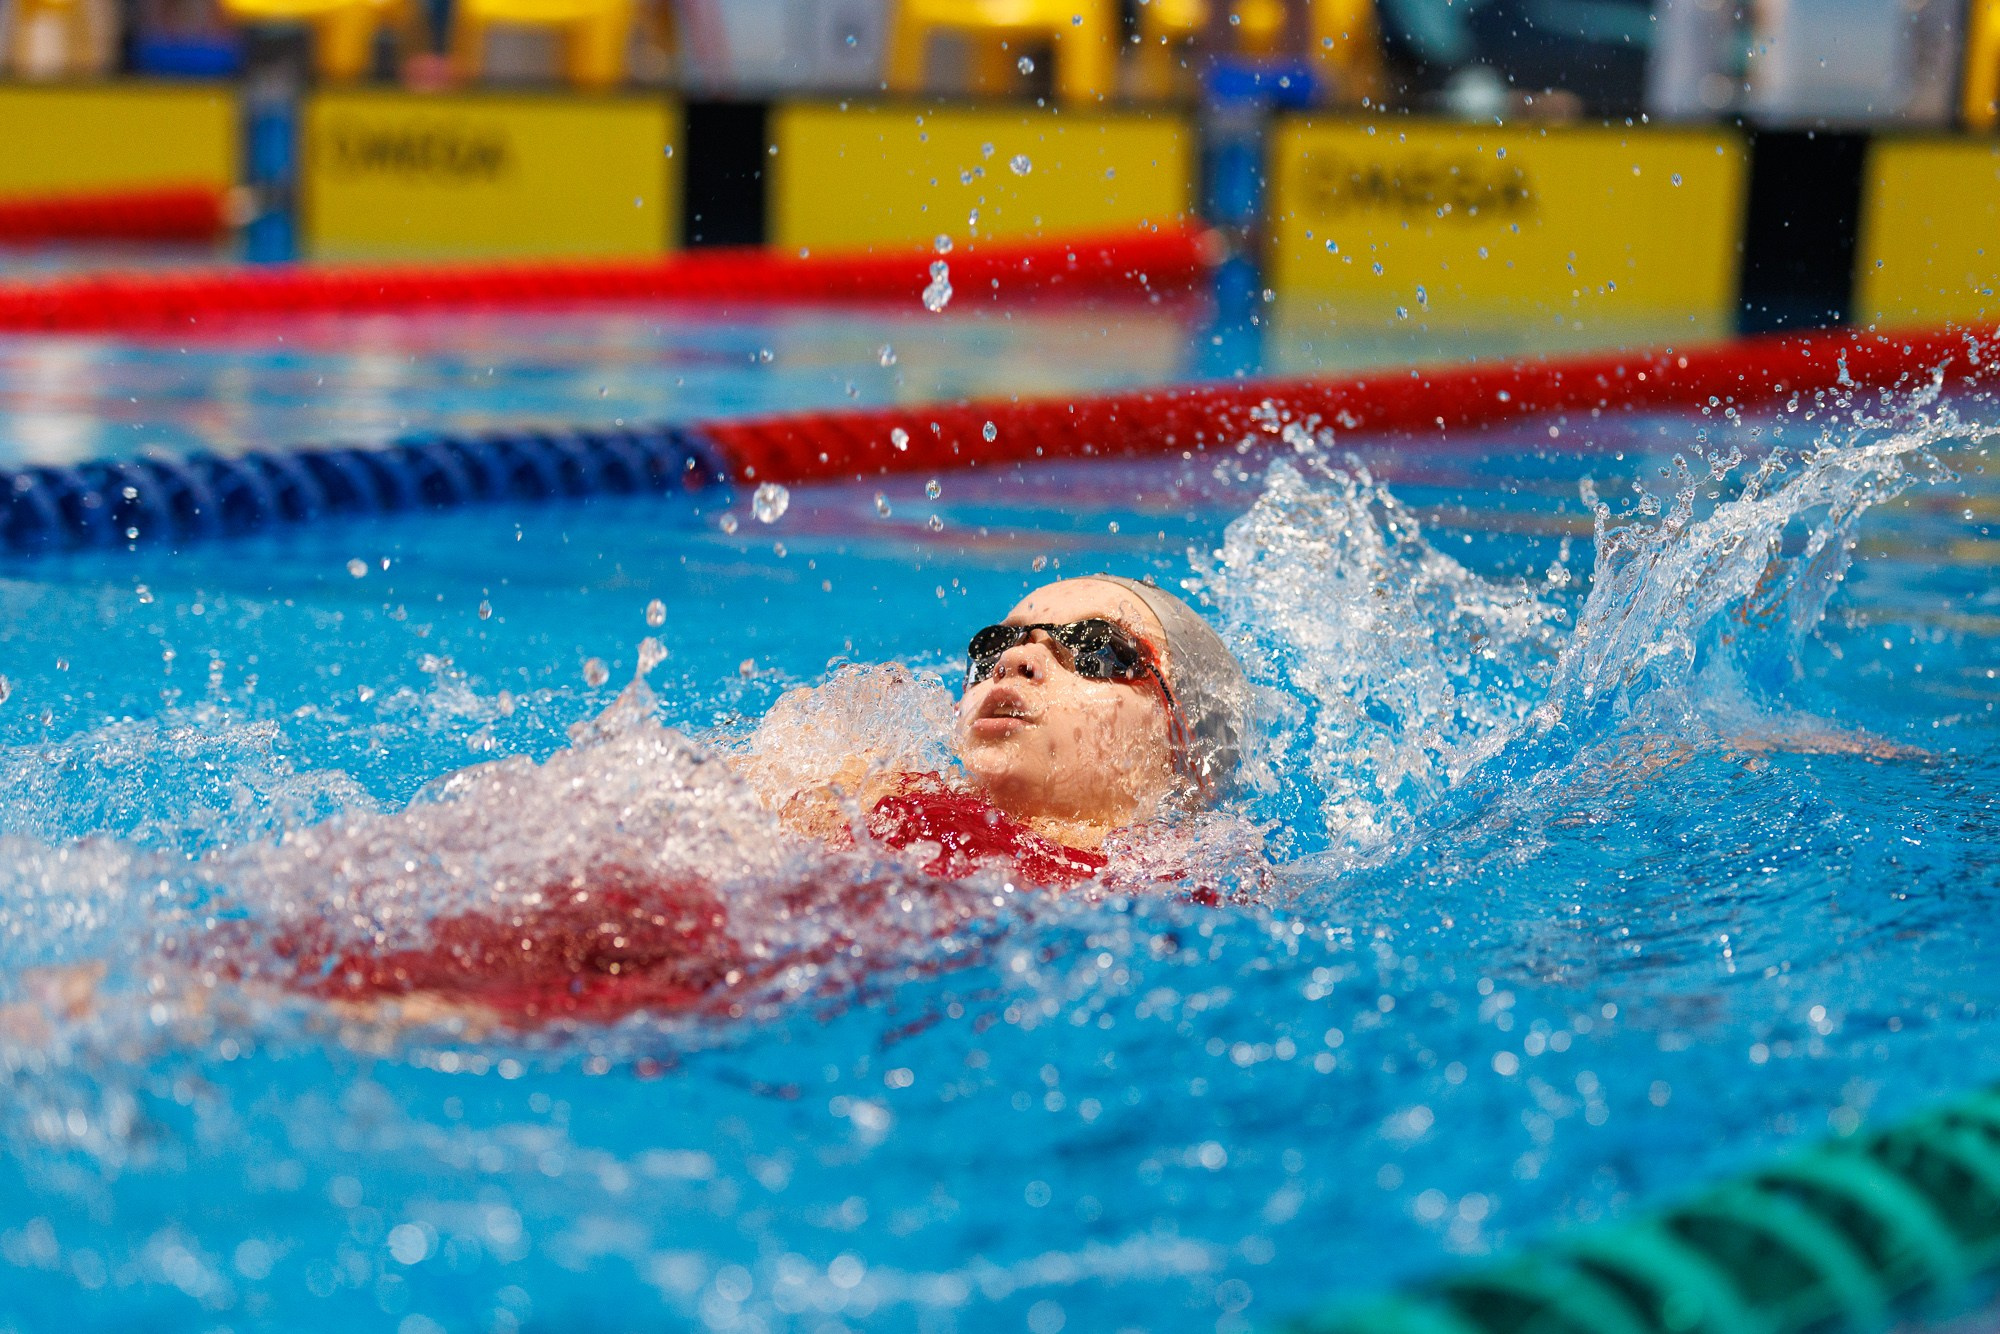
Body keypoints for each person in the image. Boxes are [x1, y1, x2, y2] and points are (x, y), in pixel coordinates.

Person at [267, 574, 1252, 1030]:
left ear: (1183, 748)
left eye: (1096, 650)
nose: (1023, 657)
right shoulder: (874, 797)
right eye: (995, 644)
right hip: (643, 949)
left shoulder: (1188, 907)